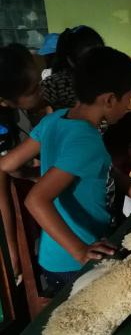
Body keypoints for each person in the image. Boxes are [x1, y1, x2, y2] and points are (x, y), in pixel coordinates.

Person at [0, 46, 131, 292]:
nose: (130, 106)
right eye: (129, 97)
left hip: (53, 257)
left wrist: (34, 175)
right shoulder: (87, 141)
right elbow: (36, 200)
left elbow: (7, 165)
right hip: (75, 262)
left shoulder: (57, 118)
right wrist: (80, 252)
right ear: (109, 100)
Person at [0, 43, 44, 279]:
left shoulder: (21, 111)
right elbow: (2, 196)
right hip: (11, 215)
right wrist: (11, 251)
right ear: (6, 101)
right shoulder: (2, 128)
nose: (41, 90)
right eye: (34, 90)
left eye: (39, 82)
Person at [40, 25, 105, 110]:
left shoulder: (106, 77)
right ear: (70, 60)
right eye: (89, 61)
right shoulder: (53, 85)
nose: (96, 65)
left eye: (101, 57)